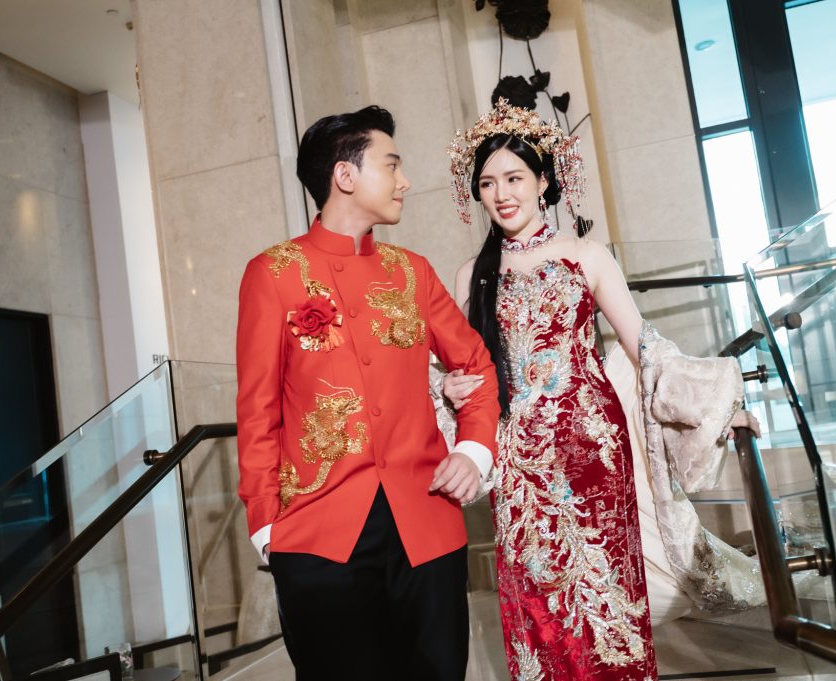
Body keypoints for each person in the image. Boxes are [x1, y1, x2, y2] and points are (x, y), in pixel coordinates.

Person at [441, 99, 762, 680]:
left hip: (591, 449)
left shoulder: (585, 255)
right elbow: (464, 366)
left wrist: (718, 410)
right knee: (537, 597)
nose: (501, 193)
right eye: (487, 183)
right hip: (518, 461)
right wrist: (453, 385)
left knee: (605, 590)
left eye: (514, 178)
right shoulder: (471, 274)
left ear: (543, 181)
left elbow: (645, 346)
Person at [235, 105, 501, 681]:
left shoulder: (413, 272)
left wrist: (474, 450)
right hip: (316, 536)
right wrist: (266, 526)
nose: (405, 181)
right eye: (392, 165)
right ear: (345, 175)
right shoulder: (272, 273)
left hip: (426, 525)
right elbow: (257, 410)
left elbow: (476, 366)